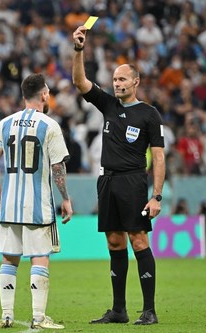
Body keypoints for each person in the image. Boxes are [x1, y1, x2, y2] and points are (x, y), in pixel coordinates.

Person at [72, 26, 166, 325]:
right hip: (107, 181)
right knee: (114, 242)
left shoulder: (149, 114)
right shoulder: (109, 105)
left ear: (136, 81)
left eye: (123, 79)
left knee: (138, 240)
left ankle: (149, 310)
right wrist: (78, 50)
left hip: (133, 181)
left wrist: (157, 195)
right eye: (114, 79)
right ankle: (119, 310)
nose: (117, 83)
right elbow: (79, 81)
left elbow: (160, 157)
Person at [0, 73, 73, 330]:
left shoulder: (4, 124)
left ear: (24, 95)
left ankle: (6, 314)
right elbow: (57, 166)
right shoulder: (49, 125)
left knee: (9, 259)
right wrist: (66, 199)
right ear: (44, 94)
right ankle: (37, 317)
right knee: (39, 258)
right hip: (36, 206)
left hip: (10, 204)